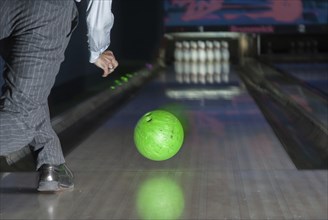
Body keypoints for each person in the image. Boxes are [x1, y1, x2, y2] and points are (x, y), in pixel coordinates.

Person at [0, 0, 118, 192]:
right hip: (44, 11)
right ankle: (51, 165)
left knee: (32, 89)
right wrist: (98, 50)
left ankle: (52, 164)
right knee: (22, 118)